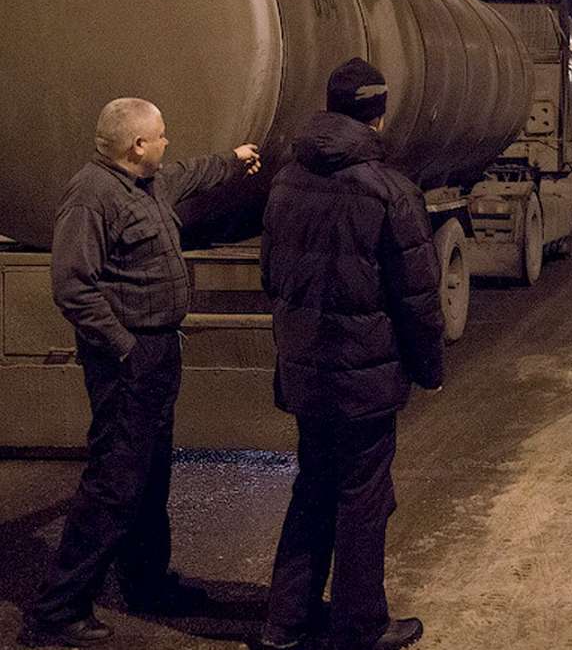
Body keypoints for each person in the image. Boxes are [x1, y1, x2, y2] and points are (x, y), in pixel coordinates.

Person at [21, 98, 261, 648]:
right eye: (160, 135)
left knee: (151, 477)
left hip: (157, 354)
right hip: (127, 361)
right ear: (137, 146)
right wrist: (125, 347)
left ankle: (148, 583)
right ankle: (56, 610)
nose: (167, 142)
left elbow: (190, 173)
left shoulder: (148, 184)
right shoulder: (91, 197)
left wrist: (233, 159)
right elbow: (72, 287)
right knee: (114, 483)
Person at [259, 58, 444, 650]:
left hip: (307, 368)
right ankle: (360, 626)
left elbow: (271, 274)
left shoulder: (286, 180)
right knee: (363, 500)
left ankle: (285, 623)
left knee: (311, 486)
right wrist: (429, 368)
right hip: (364, 378)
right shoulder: (391, 191)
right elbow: (416, 297)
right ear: (378, 113)